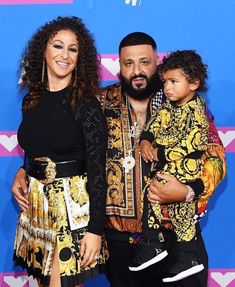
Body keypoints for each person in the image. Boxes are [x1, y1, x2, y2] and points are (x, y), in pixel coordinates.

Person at [12, 32, 226, 287]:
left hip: (177, 240)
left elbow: (215, 158)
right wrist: (26, 170)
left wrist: (187, 191)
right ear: (119, 67)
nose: (137, 70)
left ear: (157, 63)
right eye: (128, 63)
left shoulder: (189, 105)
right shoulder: (97, 102)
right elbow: (60, 144)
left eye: (145, 62)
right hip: (119, 246)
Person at [13, 16, 108, 287]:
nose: (64, 55)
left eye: (73, 49)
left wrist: (95, 230)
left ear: (80, 57)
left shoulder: (86, 104)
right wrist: (22, 171)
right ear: (44, 49)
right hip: (36, 206)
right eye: (58, 46)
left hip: (71, 210)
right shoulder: (32, 99)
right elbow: (36, 148)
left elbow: (98, 170)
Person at [129, 50, 212, 282]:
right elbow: (153, 124)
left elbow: (195, 141)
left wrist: (161, 153)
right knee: (152, 197)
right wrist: (145, 139)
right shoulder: (166, 106)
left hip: (185, 169)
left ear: (194, 83)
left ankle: (188, 257)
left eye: (173, 82)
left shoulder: (197, 111)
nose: (167, 87)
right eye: (165, 82)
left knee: (182, 214)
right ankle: (153, 244)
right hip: (167, 169)